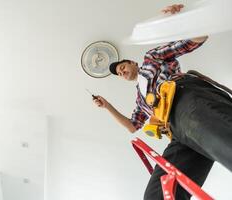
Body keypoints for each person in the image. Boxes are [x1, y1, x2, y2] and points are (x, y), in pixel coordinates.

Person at [93, 4, 232, 200]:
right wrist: (107, 106)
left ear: (132, 63)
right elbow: (132, 126)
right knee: (156, 195)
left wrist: (179, 20)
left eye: (123, 66)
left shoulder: (152, 59)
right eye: (119, 73)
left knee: (226, 143)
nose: (122, 72)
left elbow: (192, 41)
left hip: (185, 101)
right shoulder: (141, 100)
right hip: (177, 131)